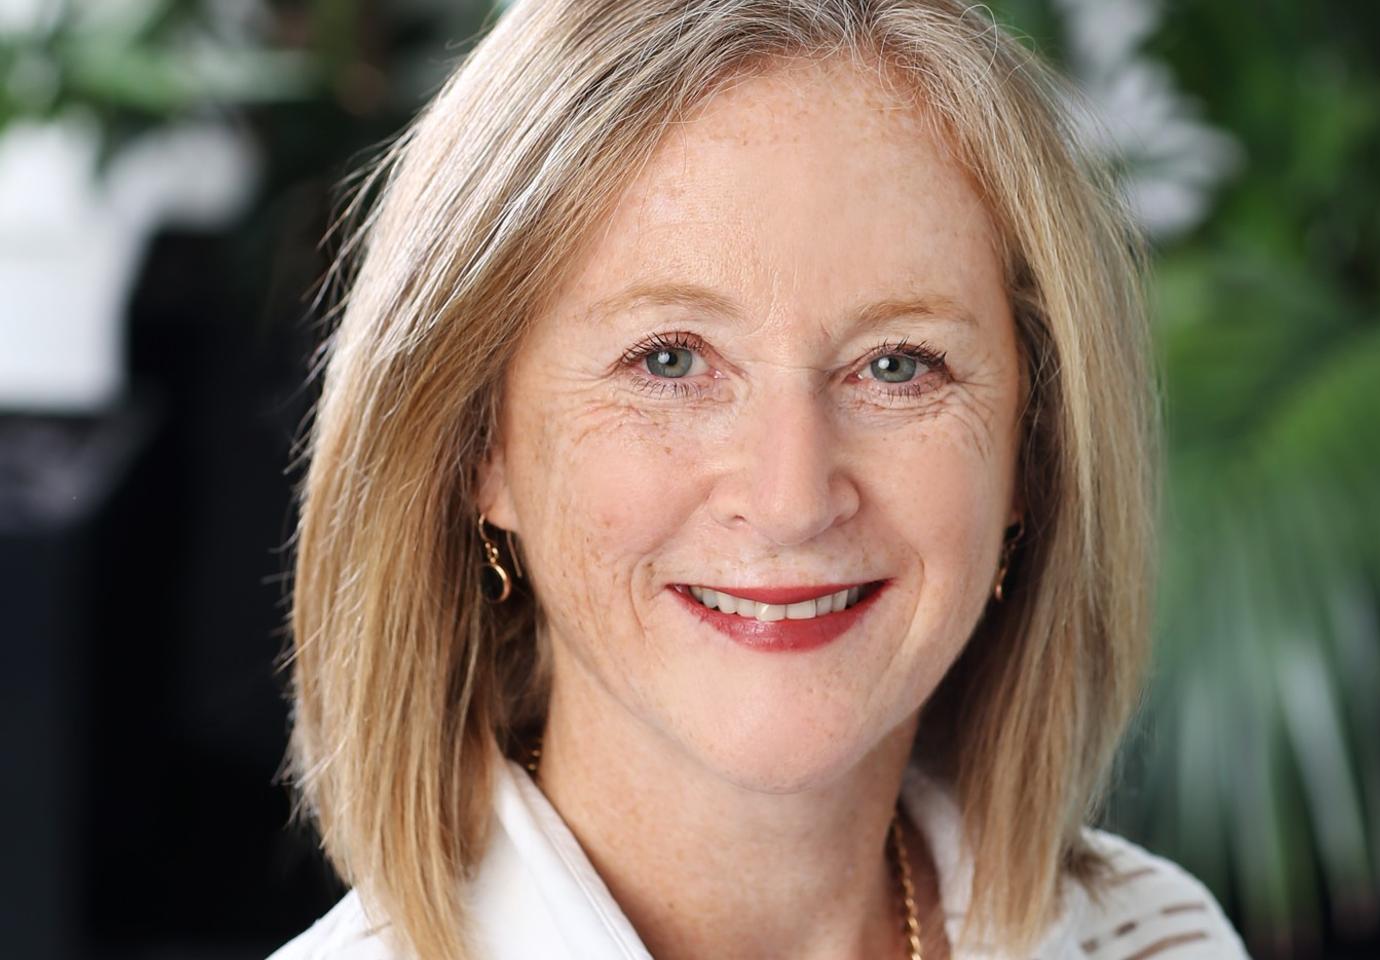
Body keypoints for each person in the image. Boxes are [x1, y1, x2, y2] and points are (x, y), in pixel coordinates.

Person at [270, 1, 1252, 958]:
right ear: (482, 447)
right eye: (668, 360)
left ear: (1030, 450)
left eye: (897, 364)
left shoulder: (1153, 936)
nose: (790, 502)